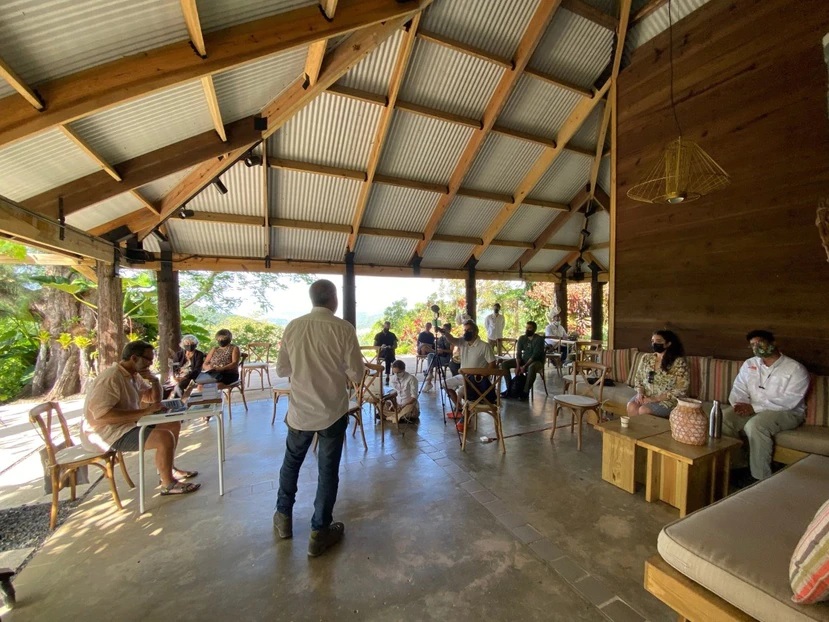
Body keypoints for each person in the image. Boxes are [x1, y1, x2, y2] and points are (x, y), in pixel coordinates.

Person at [273, 279, 365, 557]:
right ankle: (319, 532)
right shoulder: (344, 329)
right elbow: (357, 373)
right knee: (328, 472)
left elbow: (281, 370)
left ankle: (283, 518)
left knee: (291, 463)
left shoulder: (293, 326)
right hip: (332, 413)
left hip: (300, 412)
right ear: (334, 299)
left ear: (312, 299)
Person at [81, 340, 200, 496]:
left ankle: (168, 470)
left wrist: (154, 380)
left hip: (127, 425)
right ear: (134, 358)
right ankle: (168, 485)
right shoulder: (111, 377)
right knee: (164, 437)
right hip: (107, 434)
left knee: (172, 423)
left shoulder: (132, 375)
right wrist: (144, 412)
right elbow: (101, 416)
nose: (150, 363)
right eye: (148, 359)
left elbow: (153, 399)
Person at [722, 330, 810, 481]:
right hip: (753, 407)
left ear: (773, 343)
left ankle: (760, 477)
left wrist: (754, 408)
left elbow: (789, 400)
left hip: (786, 411)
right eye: (752, 345)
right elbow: (739, 387)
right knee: (725, 418)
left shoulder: (795, 369)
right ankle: (738, 466)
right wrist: (739, 403)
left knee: (755, 426)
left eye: (760, 343)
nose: (756, 347)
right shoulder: (750, 364)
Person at [440, 321, 496, 429]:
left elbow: (492, 364)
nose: (466, 332)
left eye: (469, 330)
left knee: (461, 391)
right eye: (465, 330)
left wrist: (484, 376)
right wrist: (445, 333)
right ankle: (460, 409)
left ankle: (465, 416)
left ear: (476, 332)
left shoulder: (484, 346)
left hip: (476, 379)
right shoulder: (463, 342)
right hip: (463, 376)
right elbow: (452, 340)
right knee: (444, 384)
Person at [626, 330, 689, 418]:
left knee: (644, 410)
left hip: (668, 399)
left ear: (668, 344)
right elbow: (638, 378)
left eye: (658, 341)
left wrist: (654, 399)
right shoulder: (646, 358)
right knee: (631, 406)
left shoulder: (678, 362)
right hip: (647, 394)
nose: (654, 344)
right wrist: (640, 393)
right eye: (653, 341)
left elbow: (681, 389)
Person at [500, 321, 546, 401]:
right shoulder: (522, 338)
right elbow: (518, 353)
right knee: (504, 364)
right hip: (523, 360)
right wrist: (518, 366)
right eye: (526, 327)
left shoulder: (539, 339)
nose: (527, 329)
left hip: (537, 362)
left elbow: (535, 355)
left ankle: (525, 392)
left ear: (534, 329)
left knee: (531, 367)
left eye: (530, 328)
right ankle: (509, 388)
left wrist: (525, 366)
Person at [164, 334, 205, 398]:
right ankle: (163, 404)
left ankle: (178, 402)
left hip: (190, 377)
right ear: (183, 344)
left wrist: (184, 377)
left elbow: (197, 370)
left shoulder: (199, 354)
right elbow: (173, 367)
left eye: (192, 343)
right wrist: (173, 377)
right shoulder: (178, 354)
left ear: (196, 344)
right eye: (187, 343)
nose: (189, 345)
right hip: (177, 376)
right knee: (164, 389)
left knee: (179, 387)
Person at [423, 323, 452, 392]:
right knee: (430, 355)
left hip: (445, 358)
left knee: (432, 360)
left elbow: (451, 351)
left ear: (449, 330)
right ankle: (429, 376)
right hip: (438, 356)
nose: (443, 331)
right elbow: (436, 347)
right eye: (443, 329)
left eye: (445, 329)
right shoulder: (440, 338)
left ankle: (428, 377)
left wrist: (443, 350)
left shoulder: (451, 339)